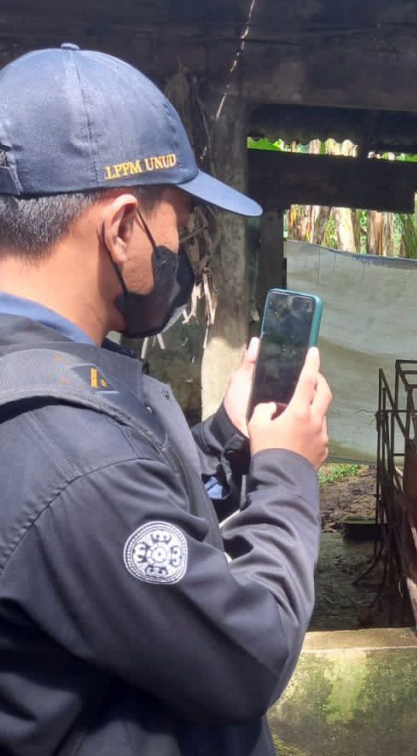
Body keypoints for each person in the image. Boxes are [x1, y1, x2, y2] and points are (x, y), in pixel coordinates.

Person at [0, 45, 331, 754]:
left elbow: (112, 530)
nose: (183, 244)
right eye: (178, 218)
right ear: (122, 228)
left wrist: (226, 438)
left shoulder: (42, 376)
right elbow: (250, 652)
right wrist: (287, 471)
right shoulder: (70, 458)